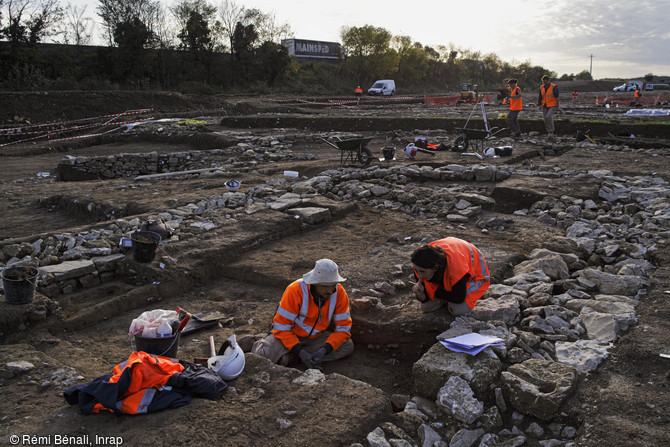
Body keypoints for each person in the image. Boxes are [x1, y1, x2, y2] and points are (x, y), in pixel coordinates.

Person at [251, 259, 354, 370]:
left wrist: (324, 350)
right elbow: (282, 327)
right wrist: (300, 352)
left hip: (315, 338)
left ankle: (292, 358)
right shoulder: (295, 290)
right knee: (261, 356)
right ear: (314, 283)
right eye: (325, 286)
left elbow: (343, 329)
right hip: (289, 335)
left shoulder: (339, 293)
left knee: (347, 346)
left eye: (333, 285)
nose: (330, 290)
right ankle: (255, 341)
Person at [410, 237, 490, 316]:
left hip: (476, 274)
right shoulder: (420, 264)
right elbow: (425, 297)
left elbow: (458, 297)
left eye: (422, 271)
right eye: (416, 270)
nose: (419, 275)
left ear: (435, 268)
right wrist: (420, 294)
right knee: (426, 307)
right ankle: (445, 297)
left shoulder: (456, 268)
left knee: (458, 310)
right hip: (450, 248)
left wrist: (432, 292)